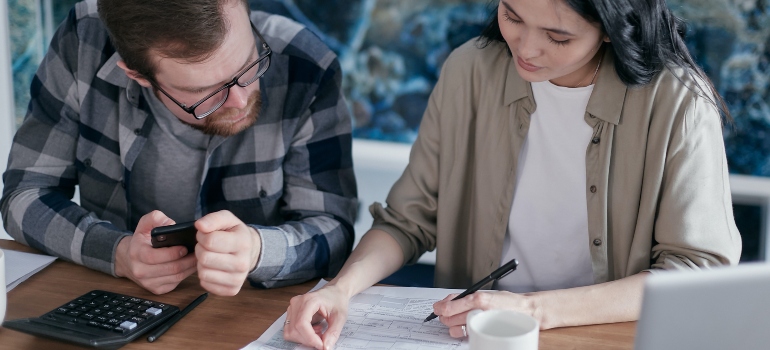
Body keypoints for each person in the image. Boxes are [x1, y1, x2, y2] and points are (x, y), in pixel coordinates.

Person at [283, 0, 742, 348]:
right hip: (476, 337)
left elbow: (695, 271)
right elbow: (407, 221)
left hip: (605, 337)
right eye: (512, 15)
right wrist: (342, 290)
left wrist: (531, 311)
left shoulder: (679, 103)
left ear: (611, 28)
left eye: (557, 37)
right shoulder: (471, 69)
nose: (525, 48)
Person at [0, 0, 357, 296]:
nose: (240, 99)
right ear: (137, 75)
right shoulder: (85, 40)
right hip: (115, 301)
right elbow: (26, 194)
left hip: (246, 315)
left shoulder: (307, 64)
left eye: (250, 64)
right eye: (207, 91)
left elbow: (334, 232)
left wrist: (257, 251)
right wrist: (117, 252)